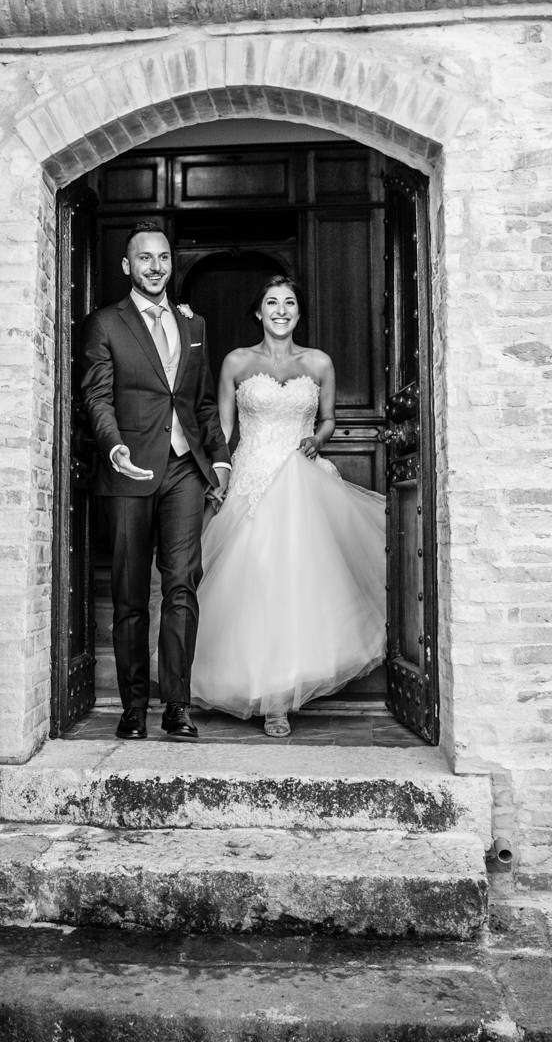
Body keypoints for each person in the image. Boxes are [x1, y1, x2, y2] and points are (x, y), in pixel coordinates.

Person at [191, 275, 386, 737]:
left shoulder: (318, 362)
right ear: (258, 311)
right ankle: (256, 687)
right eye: (272, 302)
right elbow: (224, 429)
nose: (281, 310)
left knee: (297, 586)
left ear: (299, 312)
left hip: (301, 480)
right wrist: (217, 477)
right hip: (252, 480)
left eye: (290, 302)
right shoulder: (237, 361)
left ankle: (280, 697)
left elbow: (328, 419)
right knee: (254, 585)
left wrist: (317, 439)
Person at [80, 225, 233, 741]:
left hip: (185, 468)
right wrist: (113, 446)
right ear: (128, 266)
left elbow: (201, 401)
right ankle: (133, 707)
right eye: (144, 258)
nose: (155, 267)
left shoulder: (194, 324)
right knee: (128, 594)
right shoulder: (105, 323)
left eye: (163, 257)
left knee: (182, 585)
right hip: (129, 470)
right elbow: (97, 396)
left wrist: (220, 460)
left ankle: (177, 706)